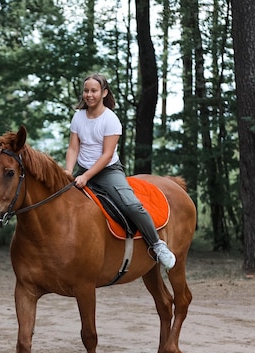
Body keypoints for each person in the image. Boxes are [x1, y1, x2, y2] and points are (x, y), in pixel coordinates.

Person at [64, 73, 176, 270]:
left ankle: (157, 245)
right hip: (81, 169)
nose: (89, 95)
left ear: (104, 92)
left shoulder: (110, 119)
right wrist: (68, 170)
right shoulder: (78, 116)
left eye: (94, 91)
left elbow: (107, 155)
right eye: (86, 91)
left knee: (132, 205)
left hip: (107, 171)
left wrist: (86, 177)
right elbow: (73, 147)